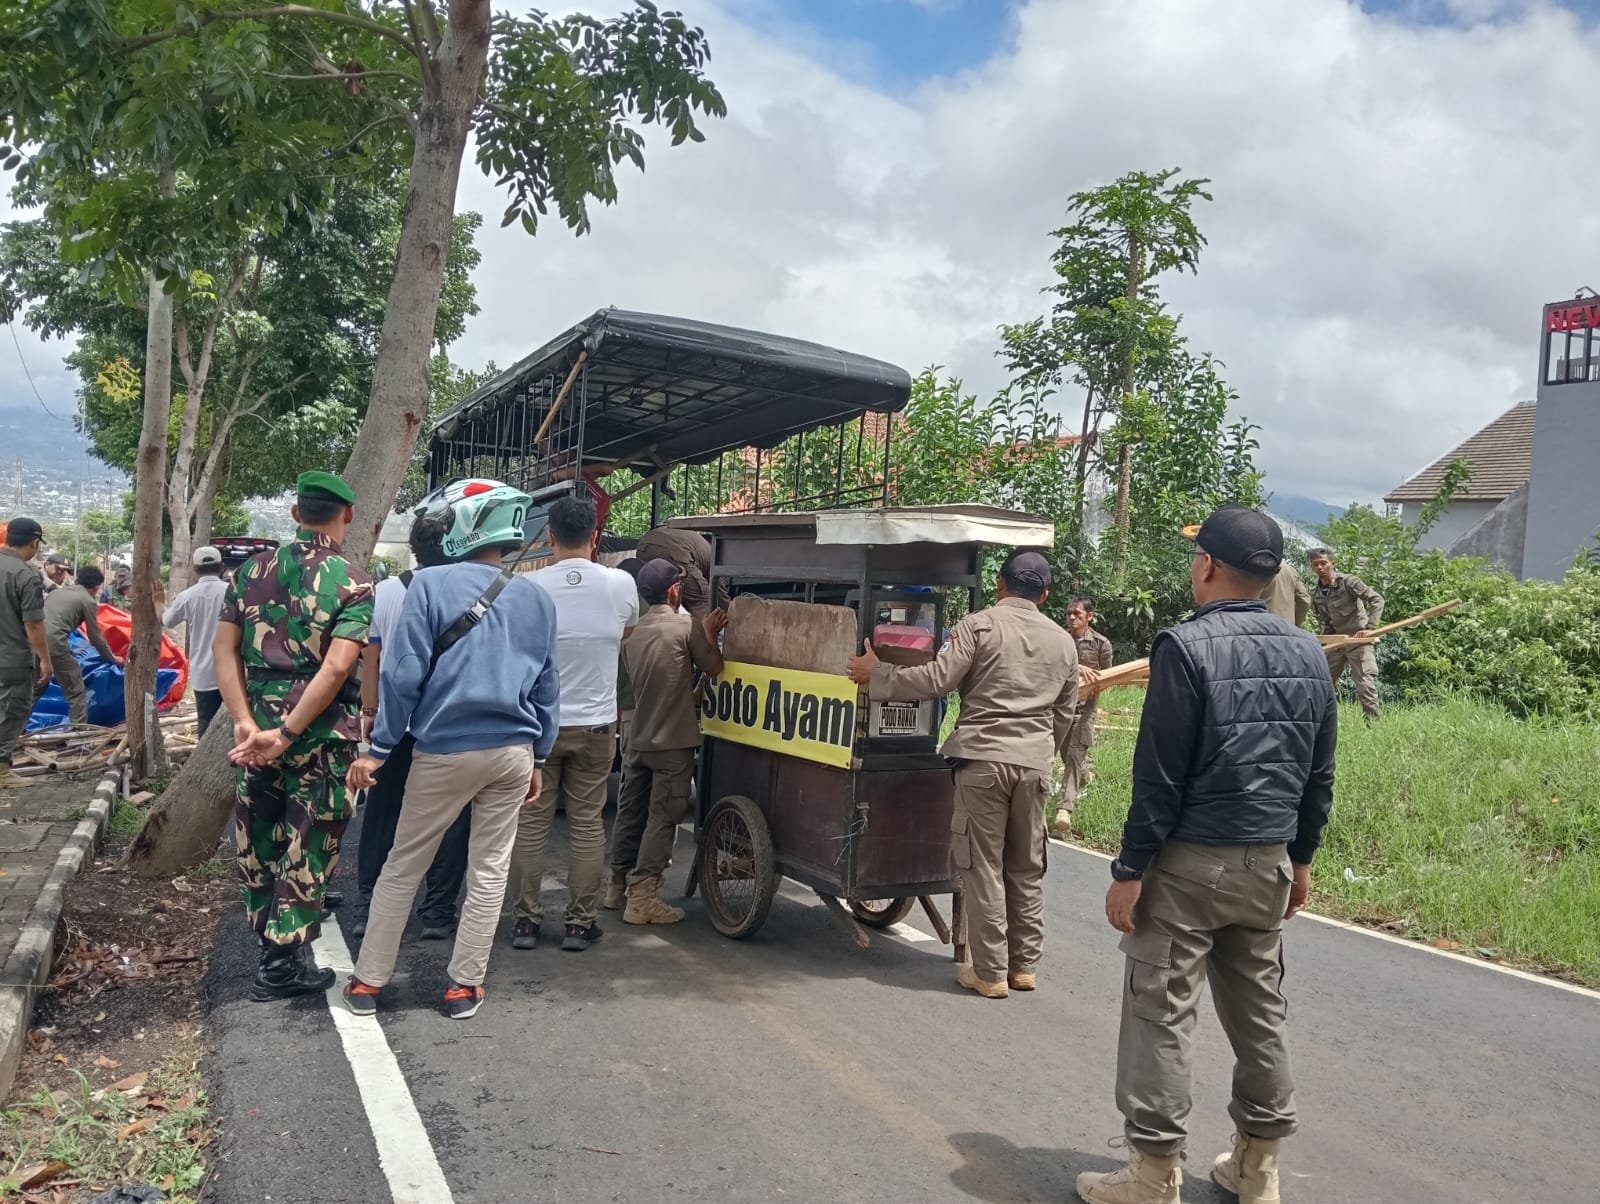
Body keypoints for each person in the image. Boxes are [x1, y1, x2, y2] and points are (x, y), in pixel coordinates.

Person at [1076, 505, 1336, 1204]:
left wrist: (1130, 870)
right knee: (1260, 1012)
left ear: (1208, 566)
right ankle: (1257, 1169)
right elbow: (1318, 772)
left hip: (1190, 864)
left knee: (1162, 1010)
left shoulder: (1184, 648)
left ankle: (1153, 1176)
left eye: (1196, 556)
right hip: (1268, 862)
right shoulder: (1310, 652)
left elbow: (1158, 776)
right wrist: (1302, 859)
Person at [343, 477, 559, 1020]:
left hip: (443, 750)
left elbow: (403, 673)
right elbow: (547, 687)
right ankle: (464, 988)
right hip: (513, 752)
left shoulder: (430, 586)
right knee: (488, 870)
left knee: (404, 863)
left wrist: (380, 746)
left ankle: (368, 983)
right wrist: (539, 756)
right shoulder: (536, 597)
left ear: (463, 527)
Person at [847, 550, 1077, 999]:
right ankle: (1022, 967)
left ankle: (989, 972)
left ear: (999, 584)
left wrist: (879, 673)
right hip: (1035, 765)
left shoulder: (978, 626)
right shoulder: (1064, 642)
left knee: (983, 866)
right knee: (1027, 868)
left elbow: (937, 680)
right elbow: (1064, 717)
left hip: (983, 762)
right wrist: (1038, 750)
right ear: (1045, 595)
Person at [214, 472, 373, 1003]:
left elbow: (224, 651)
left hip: (254, 728)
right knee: (311, 838)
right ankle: (280, 965)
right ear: (345, 515)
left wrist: (243, 719)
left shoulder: (249, 571)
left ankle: (269, 947)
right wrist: (288, 733)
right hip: (319, 736)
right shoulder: (353, 582)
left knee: (259, 832)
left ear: (294, 512)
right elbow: (334, 671)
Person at [508, 493, 638, 952]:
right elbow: (625, 631)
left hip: (537, 724)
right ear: (596, 536)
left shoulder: (527, 588)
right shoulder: (621, 584)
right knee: (587, 823)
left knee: (530, 822)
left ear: (548, 537)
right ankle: (580, 924)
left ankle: (526, 921)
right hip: (598, 725)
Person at [349, 512, 472, 942]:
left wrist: (370, 712)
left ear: (414, 549)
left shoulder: (384, 592)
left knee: (382, 813)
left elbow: (372, 658)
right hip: (448, 721)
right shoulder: (468, 591)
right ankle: (438, 909)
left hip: (394, 721)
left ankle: (369, 904)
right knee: (453, 816)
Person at [612, 559, 726, 924]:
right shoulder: (685, 626)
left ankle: (616, 886)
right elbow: (715, 667)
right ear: (674, 590)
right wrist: (708, 635)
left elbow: (660, 685)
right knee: (663, 818)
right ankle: (642, 896)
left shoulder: (632, 636)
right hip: (671, 743)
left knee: (630, 813)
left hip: (638, 738)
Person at [1051, 596, 1115, 838]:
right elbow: (1051, 666)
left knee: (1075, 757)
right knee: (1067, 756)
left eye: (1077, 614)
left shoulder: (1102, 645)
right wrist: (1077, 668)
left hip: (1084, 712)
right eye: (1069, 613)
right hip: (1059, 709)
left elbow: (1107, 677)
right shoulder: (1060, 640)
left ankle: (1063, 812)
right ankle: (1085, 777)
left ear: (1090, 616)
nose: (1072, 618)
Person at [0, 518, 52, 789]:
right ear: (33, 542)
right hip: (12, 659)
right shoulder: (26, 575)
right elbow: (33, 623)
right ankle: (1, 770)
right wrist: (45, 659)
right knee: (12, 711)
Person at [37, 565, 122, 726]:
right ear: (96, 587)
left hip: (33, 641)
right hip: (55, 644)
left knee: (37, 686)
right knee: (75, 690)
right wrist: (112, 658)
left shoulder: (57, 592)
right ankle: (78, 735)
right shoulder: (88, 601)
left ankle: (16, 730)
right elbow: (95, 636)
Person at [159, 546, 230, 734]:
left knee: (206, 726)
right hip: (234, 673)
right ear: (221, 567)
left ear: (196, 569)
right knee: (234, 726)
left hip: (203, 674)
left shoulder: (187, 596)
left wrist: (158, 602)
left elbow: (166, 620)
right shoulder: (233, 593)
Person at [1307, 546, 1383, 720]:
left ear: (1332, 563)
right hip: (1338, 641)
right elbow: (1326, 622)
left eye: (1323, 563)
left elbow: (1377, 600)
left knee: (1364, 684)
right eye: (1315, 564)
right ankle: (1323, 722)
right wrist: (1324, 641)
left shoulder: (1348, 582)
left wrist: (1369, 628)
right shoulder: (1316, 594)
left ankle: (1373, 724)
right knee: (1323, 681)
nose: (1320, 567)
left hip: (1359, 639)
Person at [634, 525, 715, 619]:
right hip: (673, 551)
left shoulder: (696, 540)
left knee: (658, 599)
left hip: (643, 545)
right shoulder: (715, 555)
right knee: (701, 601)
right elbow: (719, 595)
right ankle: (702, 633)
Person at [1260, 559, 1311, 628]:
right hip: (1287, 630)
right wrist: (1293, 626)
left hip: (1260, 627)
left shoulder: (1248, 566)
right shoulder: (1290, 570)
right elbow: (1305, 600)